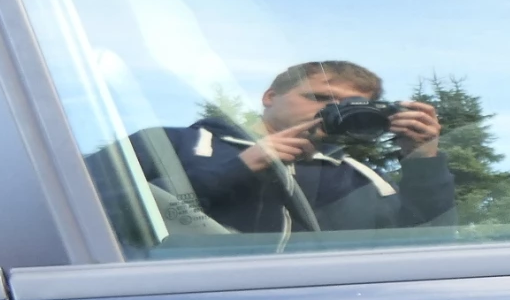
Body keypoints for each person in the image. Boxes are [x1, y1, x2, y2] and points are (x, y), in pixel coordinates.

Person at [149, 58, 457, 236]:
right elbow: (124, 213)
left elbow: (428, 242)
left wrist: (423, 159)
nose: (332, 111)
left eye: (351, 105)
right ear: (270, 97)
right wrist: (241, 166)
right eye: (319, 98)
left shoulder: (364, 179)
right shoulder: (169, 144)